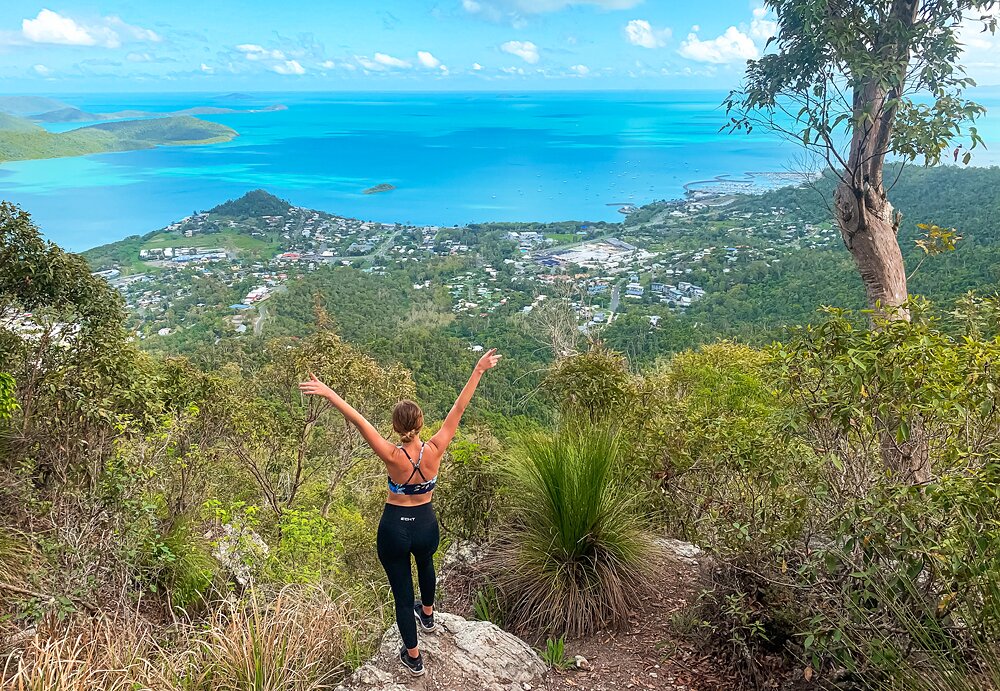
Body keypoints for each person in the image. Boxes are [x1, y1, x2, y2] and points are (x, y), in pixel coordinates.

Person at [298, 347, 502, 677]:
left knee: (401, 594)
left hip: (394, 528)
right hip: (425, 525)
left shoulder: (392, 455)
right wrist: (478, 369)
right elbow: (459, 409)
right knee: (426, 564)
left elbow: (358, 420)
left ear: (395, 427)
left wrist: (328, 392)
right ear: (421, 424)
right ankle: (430, 616)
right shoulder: (436, 448)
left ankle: (414, 657)